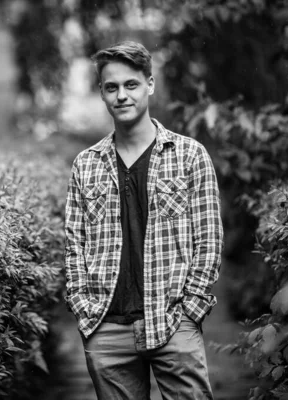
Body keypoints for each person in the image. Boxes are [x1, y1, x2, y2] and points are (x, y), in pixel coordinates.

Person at [64, 41, 223, 400]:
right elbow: (75, 245)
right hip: (106, 327)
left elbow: (209, 239)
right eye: (111, 87)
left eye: (131, 85)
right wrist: (83, 307)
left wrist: (190, 309)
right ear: (102, 93)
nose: (121, 95)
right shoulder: (86, 164)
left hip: (172, 321)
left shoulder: (189, 155)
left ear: (149, 84)